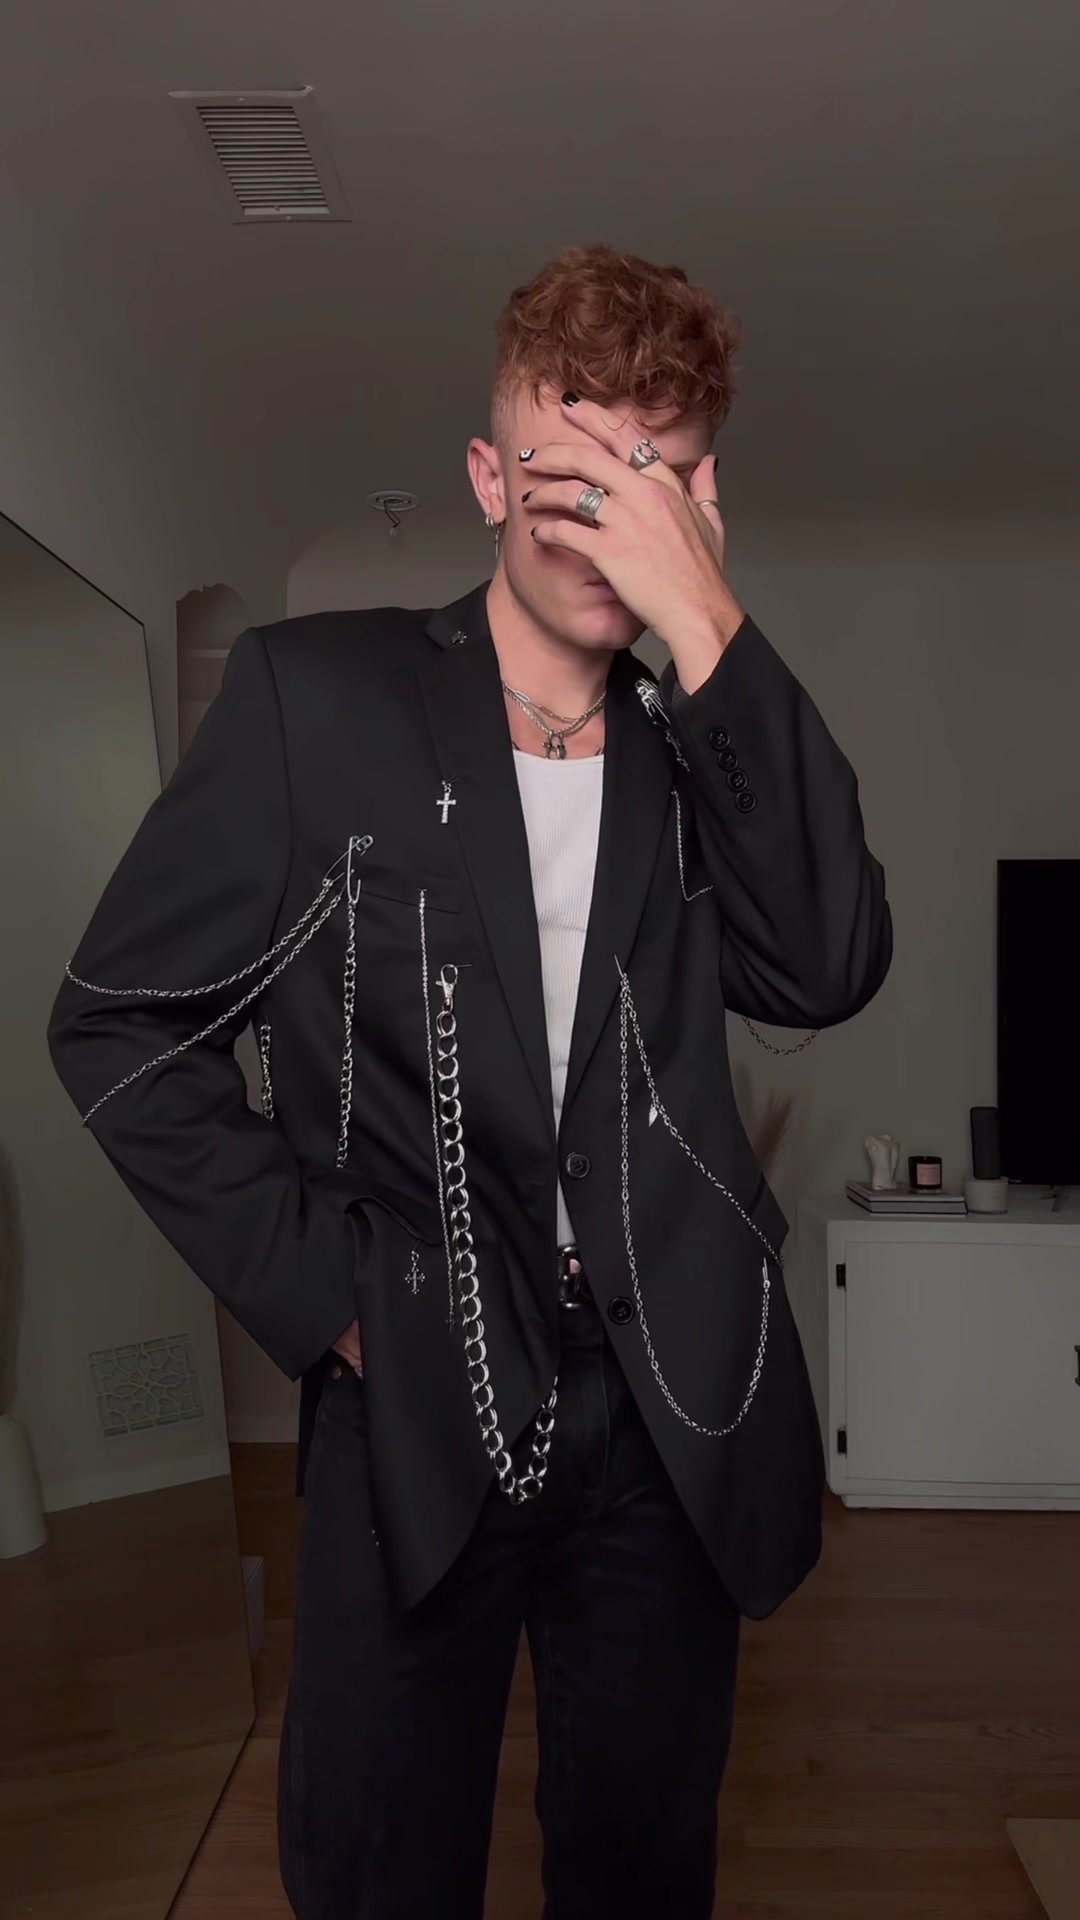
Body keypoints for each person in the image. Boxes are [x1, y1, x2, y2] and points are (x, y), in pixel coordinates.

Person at [48, 244, 891, 1919]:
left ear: (700, 503)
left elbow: (828, 963)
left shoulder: (703, 738)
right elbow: (118, 1022)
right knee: (378, 1861)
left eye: (654, 479)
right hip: (416, 1378)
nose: (607, 523)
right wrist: (333, 1298)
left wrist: (708, 622)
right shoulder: (318, 698)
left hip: (665, 1406)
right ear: (493, 480)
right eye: (576, 478)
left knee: (642, 1866)